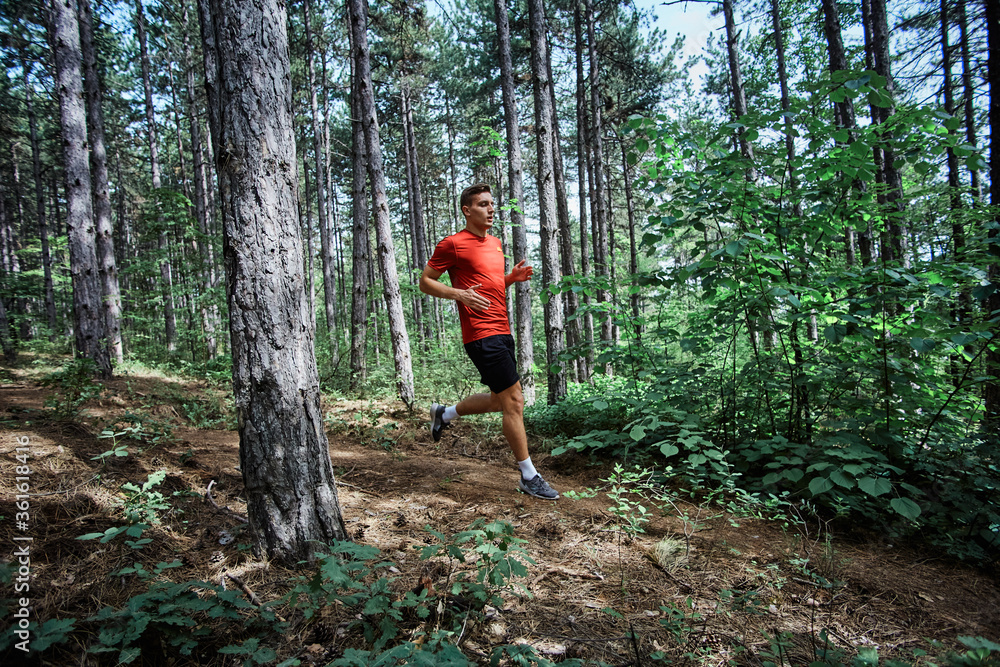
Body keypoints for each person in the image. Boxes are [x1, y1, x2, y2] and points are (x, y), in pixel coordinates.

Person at [419, 183, 559, 500]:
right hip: (482, 335)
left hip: (502, 331)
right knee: (514, 401)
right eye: (483, 204)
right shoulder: (452, 244)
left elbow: (489, 285)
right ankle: (529, 475)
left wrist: (511, 279)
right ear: (467, 211)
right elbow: (425, 282)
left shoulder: (495, 243)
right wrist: (458, 294)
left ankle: (445, 413)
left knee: (499, 401)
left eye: (492, 204)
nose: (491, 208)